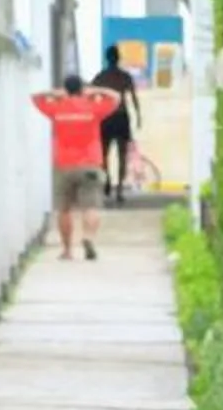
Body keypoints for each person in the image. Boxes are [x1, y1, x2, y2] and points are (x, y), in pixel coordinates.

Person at [32, 74, 121, 259]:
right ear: (82, 88)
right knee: (91, 207)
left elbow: (35, 97)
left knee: (64, 210)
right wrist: (96, 91)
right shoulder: (93, 107)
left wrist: (57, 94)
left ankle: (67, 250)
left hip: (63, 164)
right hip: (90, 164)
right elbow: (116, 97)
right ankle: (88, 237)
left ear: (66, 88)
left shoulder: (57, 108)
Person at [90, 46, 144, 204]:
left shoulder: (101, 77)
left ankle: (107, 179)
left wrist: (94, 116)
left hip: (106, 117)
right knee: (121, 155)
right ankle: (119, 189)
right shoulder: (125, 77)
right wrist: (138, 116)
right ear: (118, 58)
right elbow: (133, 98)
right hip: (121, 117)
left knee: (104, 154)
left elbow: (92, 97)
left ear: (107, 58)